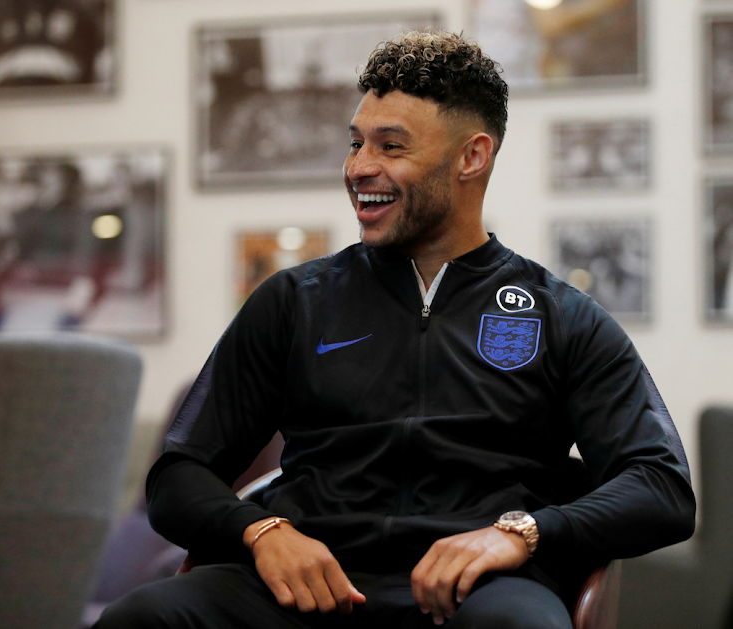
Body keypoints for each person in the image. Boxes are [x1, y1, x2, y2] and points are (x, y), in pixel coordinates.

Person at [96, 30, 695, 629]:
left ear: (471, 157)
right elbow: (177, 474)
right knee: (142, 617)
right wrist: (261, 530)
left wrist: (523, 534)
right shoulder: (291, 302)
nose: (360, 168)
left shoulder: (560, 316)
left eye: (391, 146)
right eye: (356, 143)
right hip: (309, 590)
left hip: (477, 594)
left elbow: (661, 487)